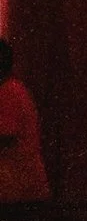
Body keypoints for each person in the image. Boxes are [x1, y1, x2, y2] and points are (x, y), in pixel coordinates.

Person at [0, 37, 45, 204]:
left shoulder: (8, 92)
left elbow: (5, 136)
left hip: (16, 189)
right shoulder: (13, 89)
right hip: (20, 187)